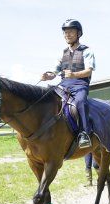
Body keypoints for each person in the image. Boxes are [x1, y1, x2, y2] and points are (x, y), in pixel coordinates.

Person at [41, 19, 95, 149]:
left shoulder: (87, 51)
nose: (67, 35)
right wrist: (48, 76)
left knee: (81, 102)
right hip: (63, 85)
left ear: (78, 33)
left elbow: (88, 71)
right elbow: (55, 72)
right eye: (65, 32)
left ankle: (84, 134)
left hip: (80, 85)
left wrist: (74, 75)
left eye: (71, 32)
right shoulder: (63, 53)